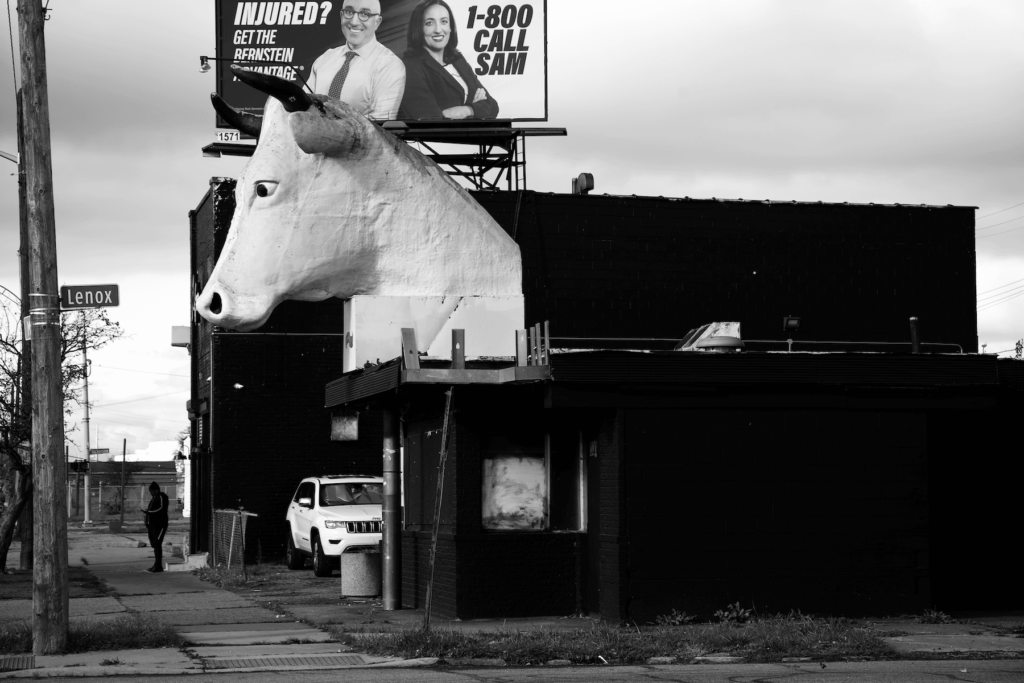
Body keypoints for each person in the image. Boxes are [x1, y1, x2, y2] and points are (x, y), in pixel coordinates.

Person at [398, 0, 499, 120]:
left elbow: (492, 107)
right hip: (438, 139)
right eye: (429, 23)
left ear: (450, 27)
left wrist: (466, 110)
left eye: (444, 22)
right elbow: (431, 120)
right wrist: (476, 108)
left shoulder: (458, 60)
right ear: (418, 28)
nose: (438, 30)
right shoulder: (410, 67)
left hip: (475, 137)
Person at [308, 0, 406, 120]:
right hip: (315, 137)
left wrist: (334, 129)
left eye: (365, 14)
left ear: (377, 22)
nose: (354, 22)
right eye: (349, 12)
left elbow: (381, 124)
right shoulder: (324, 60)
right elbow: (303, 107)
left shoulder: (390, 65)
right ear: (341, 16)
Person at [141, 482, 169, 573]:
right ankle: (156, 565)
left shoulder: (161, 496)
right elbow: (151, 510)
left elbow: (161, 509)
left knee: (157, 544)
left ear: (156, 490)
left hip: (160, 525)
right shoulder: (153, 499)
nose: (151, 493)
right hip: (152, 526)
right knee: (154, 544)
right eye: (150, 491)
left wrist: (149, 512)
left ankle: (158, 566)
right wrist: (147, 521)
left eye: (152, 491)